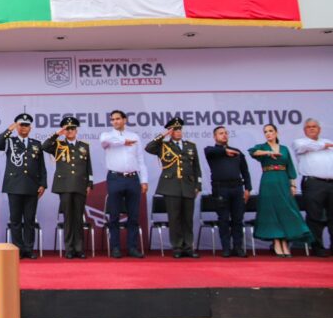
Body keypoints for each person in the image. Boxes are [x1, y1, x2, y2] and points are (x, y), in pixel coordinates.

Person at [248, 124, 313, 256]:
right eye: (265, 132)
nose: (268, 133)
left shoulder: (284, 149)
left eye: (271, 131)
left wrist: (293, 185)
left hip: (283, 181)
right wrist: (269, 152)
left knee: (285, 210)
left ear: (276, 133)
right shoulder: (262, 147)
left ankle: (285, 241)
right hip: (268, 181)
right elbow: (252, 152)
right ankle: (277, 241)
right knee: (271, 210)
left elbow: (290, 168)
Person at [145, 118, 202, 259]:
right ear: (170, 132)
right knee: (174, 218)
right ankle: (177, 247)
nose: (178, 132)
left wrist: (198, 185)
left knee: (188, 219)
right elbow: (149, 147)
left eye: (179, 129)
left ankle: (188, 247)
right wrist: (163, 135)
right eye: (174, 130)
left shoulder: (190, 146)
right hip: (171, 186)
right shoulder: (163, 146)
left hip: (188, 186)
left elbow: (196, 168)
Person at [0, 113, 47, 260]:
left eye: (26, 125)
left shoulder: (36, 144)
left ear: (30, 127)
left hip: (32, 186)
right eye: (21, 125)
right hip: (14, 186)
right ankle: (18, 249)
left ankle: (29, 249)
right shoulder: (10, 141)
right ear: (17, 126)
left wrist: (43, 184)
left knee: (29, 220)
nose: (24, 127)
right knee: (16, 220)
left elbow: (41, 166)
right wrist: (9, 129)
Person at [100, 110, 149, 258]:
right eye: (112, 119)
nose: (115, 121)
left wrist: (144, 180)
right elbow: (104, 143)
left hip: (133, 178)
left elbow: (140, 160)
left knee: (133, 216)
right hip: (115, 178)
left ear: (124, 120)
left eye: (118, 119)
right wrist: (123, 142)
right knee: (114, 215)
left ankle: (132, 247)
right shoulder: (107, 135)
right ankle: (115, 247)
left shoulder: (134, 137)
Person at [42, 116, 93, 259]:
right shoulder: (58, 145)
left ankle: (79, 248)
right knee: (68, 218)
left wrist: (90, 183)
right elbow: (45, 146)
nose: (70, 131)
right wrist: (58, 133)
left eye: (72, 128)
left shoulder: (84, 146)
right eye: (67, 129)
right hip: (64, 186)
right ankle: (69, 249)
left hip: (80, 185)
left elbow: (89, 166)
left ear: (76, 130)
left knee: (78, 218)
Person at [204, 126, 252, 257]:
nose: (224, 135)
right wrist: (225, 151)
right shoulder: (211, 151)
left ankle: (238, 247)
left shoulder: (237, 152)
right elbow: (209, 152)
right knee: (223, 219)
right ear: (215, 137)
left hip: (237, 188)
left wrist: (248, 188)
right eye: (221, 133)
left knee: (238, 219)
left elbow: (245, 171)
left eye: (226, 133)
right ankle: (226, 248)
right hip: (220, 189)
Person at [293, 119, 333, 257]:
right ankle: (318, 247)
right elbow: (307, 147)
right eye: (308, 127)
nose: (311, 129)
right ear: (304, 130)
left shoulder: (328, 142)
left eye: (314, 126)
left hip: (331, 183)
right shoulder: (300, 142)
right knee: (315, 217)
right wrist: (324, 145)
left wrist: (326, 144)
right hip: (313, 183)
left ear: (319, 129)